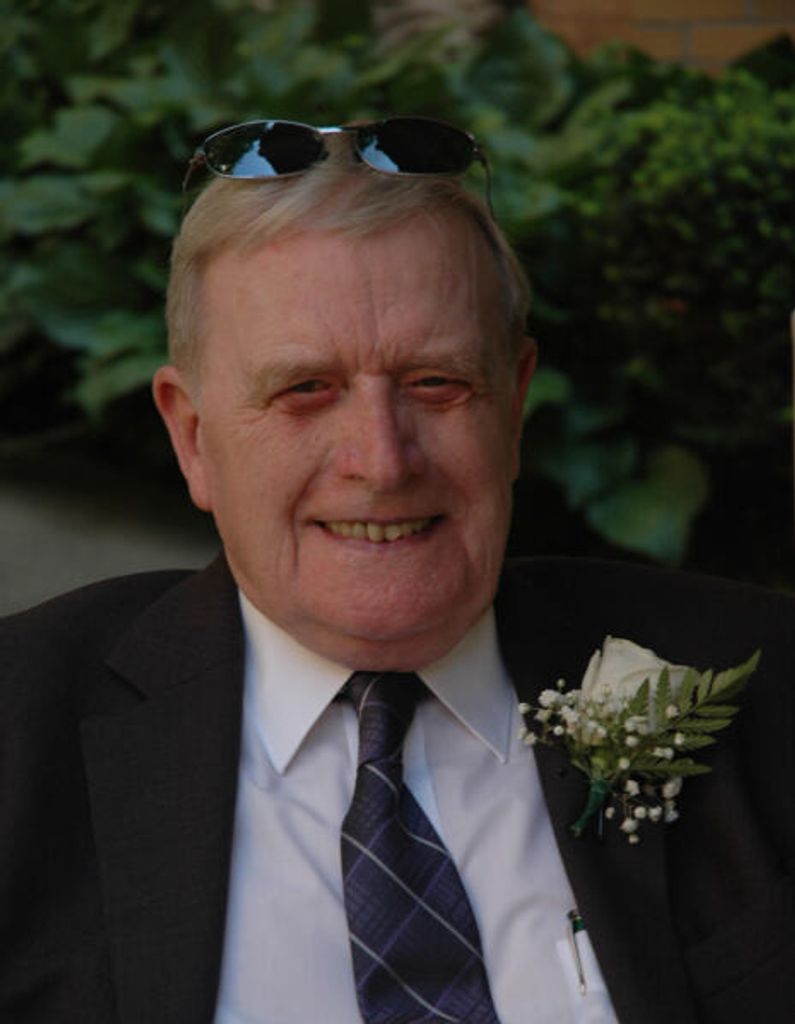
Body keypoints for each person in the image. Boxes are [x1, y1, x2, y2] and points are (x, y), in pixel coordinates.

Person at [1, 116, 793, 1024]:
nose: (381, 462)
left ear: (513, 407)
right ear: (192, 437)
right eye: (305, 390)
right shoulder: (20, 734)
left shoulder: (763, 681)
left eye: (435, 384)